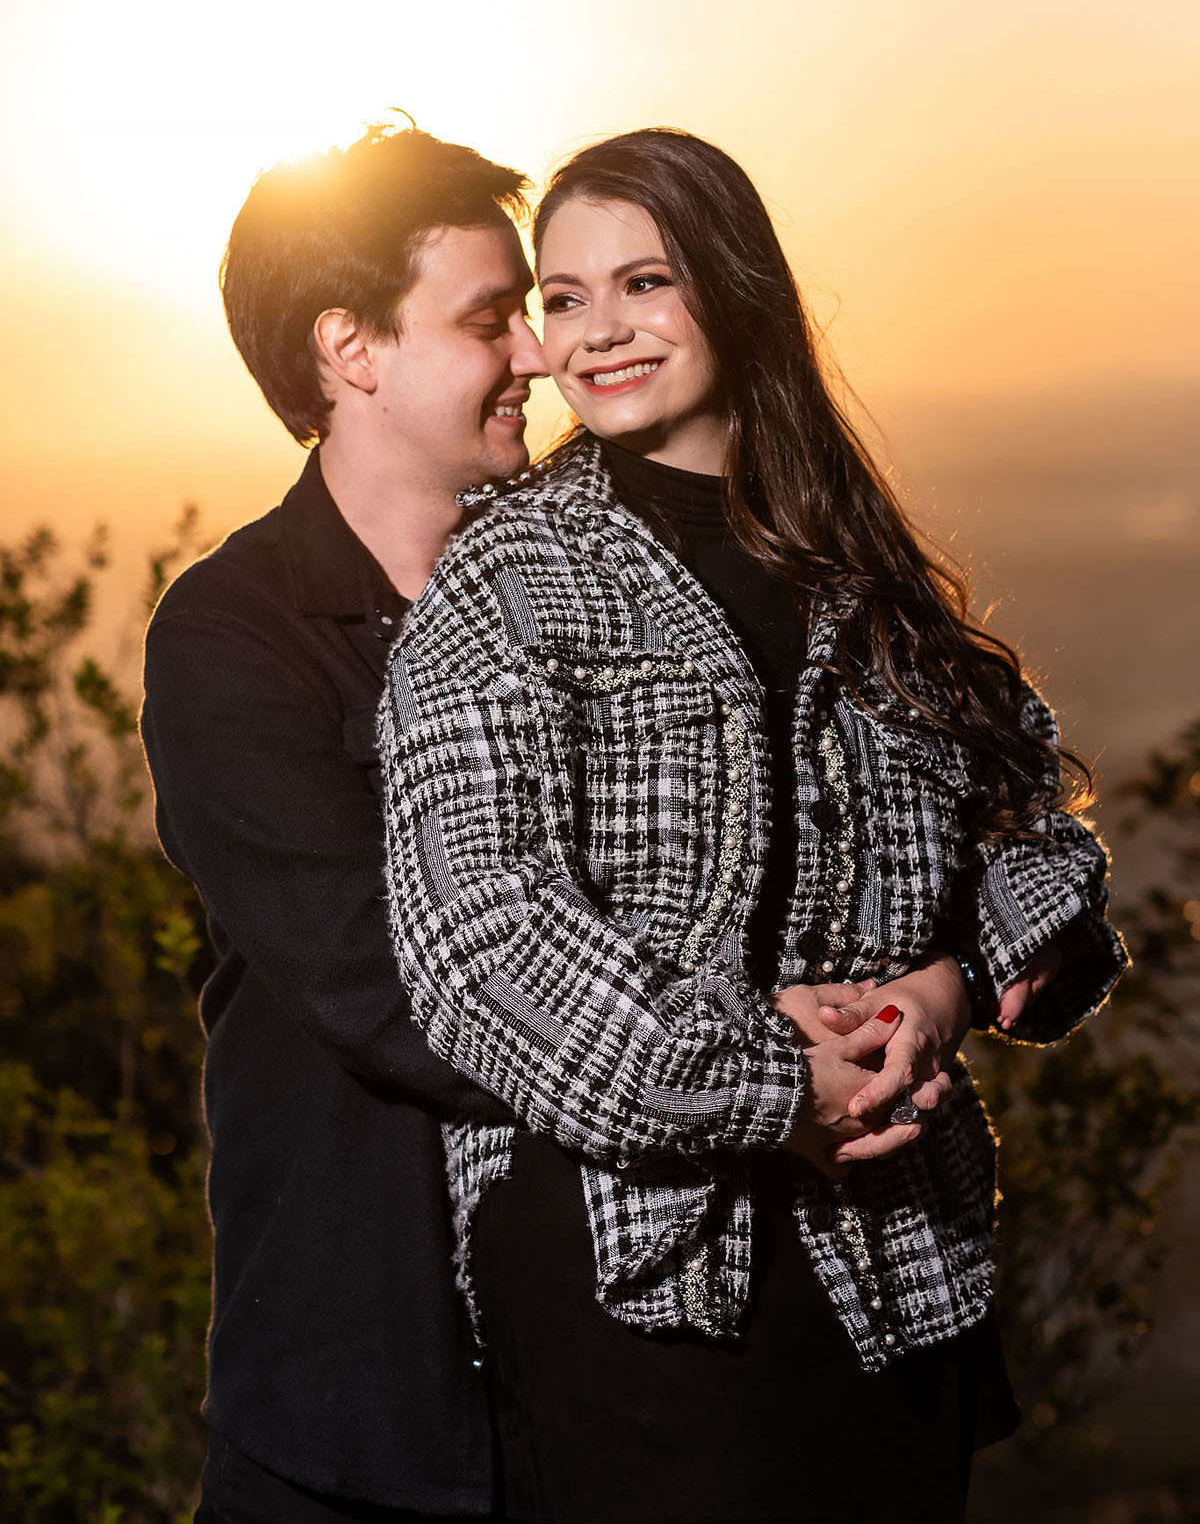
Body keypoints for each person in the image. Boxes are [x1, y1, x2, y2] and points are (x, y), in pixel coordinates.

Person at [378, 128, 1128, 1524]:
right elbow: (479, 939)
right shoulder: (504, 580)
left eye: (644, 281)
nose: (597, 331)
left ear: (731, 284)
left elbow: (1038, 832)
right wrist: (779, 1086)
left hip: (896, 1269)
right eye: (563, 296)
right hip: (633, 1275)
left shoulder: (856, 563)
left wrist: (951, 986)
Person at [140, 124, 551, 1521]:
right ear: (349, 348)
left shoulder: (593, 585)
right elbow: (390, 983)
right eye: (488, 320)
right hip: (346, 1428)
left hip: (595, 1408)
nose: (537, 354)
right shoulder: (231, 639)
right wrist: (741, 1074)